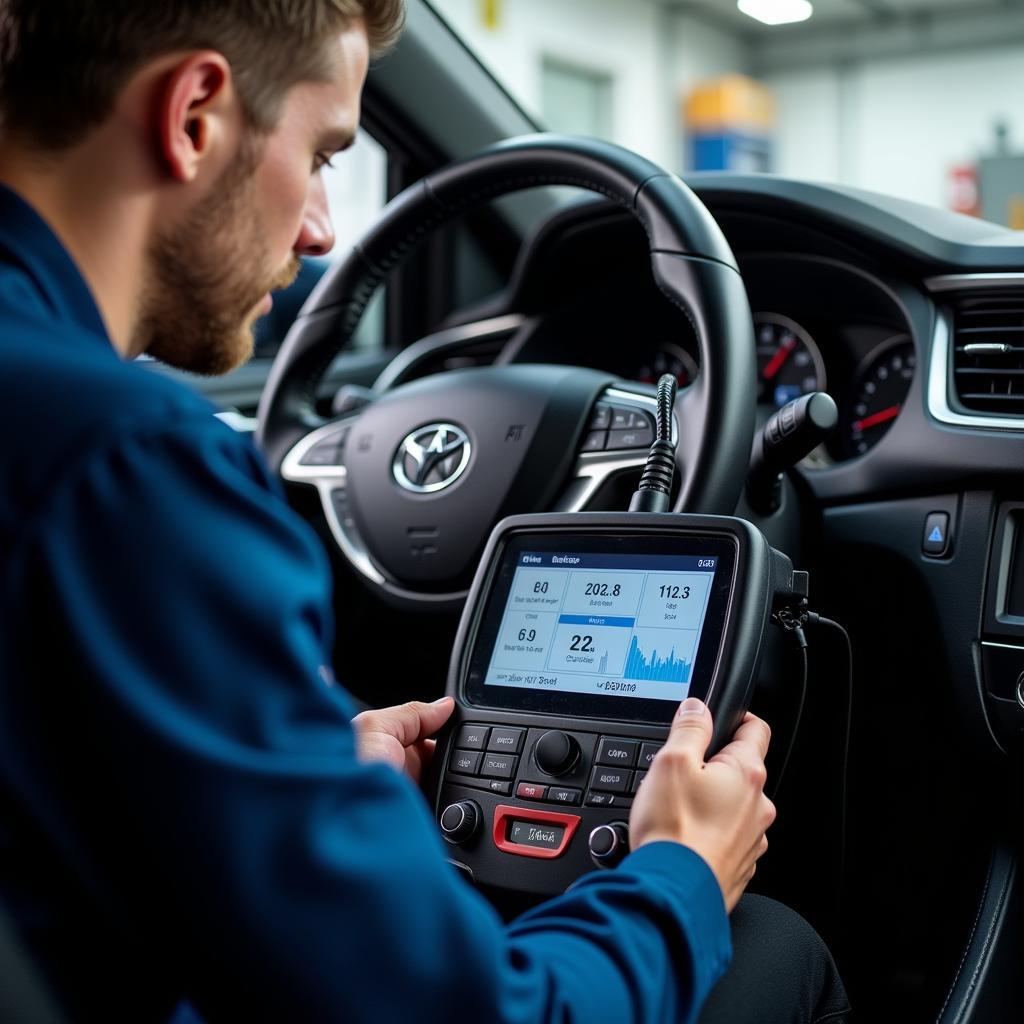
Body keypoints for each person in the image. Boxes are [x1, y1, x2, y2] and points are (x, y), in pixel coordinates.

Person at [0, 2, 850, 1021]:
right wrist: (677, 870)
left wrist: (304, 783)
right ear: (193, 115)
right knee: (773, 943)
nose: (319, 226)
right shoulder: (129, 472)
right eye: (321, 154)